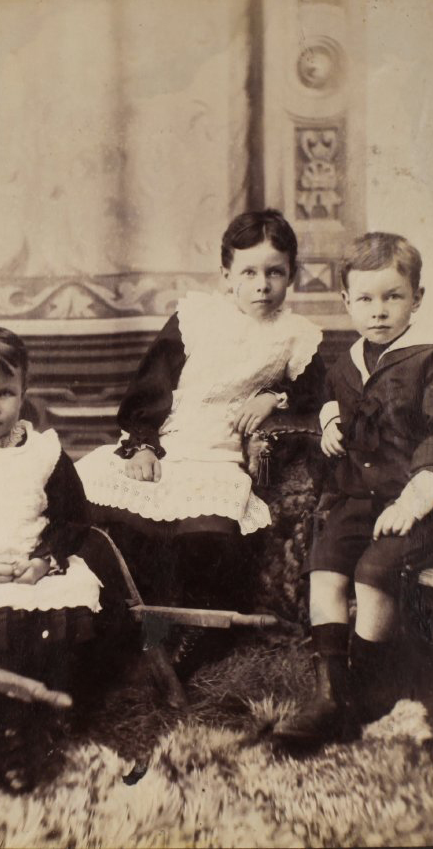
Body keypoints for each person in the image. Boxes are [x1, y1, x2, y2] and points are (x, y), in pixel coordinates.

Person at [0, 324, 139, 793]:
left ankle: (55, 715)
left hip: (40, 571)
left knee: (65, 621)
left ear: (24, 393)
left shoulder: (43, 453)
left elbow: (72, 520)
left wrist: (45, 561)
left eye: (4, 392)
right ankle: (7, 733)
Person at [76, 209, 325, 614]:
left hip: (219, 456)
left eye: (274, 273)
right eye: (248, 273)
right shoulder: (196, 318)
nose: (262, 286)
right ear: (226, 275)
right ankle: (120, 614)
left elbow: (315, 390)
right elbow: (150, 385)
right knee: (95, 501)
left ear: (291, 274)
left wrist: (273, 397)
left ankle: (194, 625)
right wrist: (143, 445)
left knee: (211, 536)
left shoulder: (297, 335)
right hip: (167, 443)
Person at [273, 232, 433, 746]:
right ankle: (331, 694)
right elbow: (334, 397)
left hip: (422, 501)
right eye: (366, 299)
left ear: (417, 298)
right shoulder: (346, 361)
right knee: (325, 565)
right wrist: (330, 422)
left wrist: (416, 498)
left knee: (374, 571)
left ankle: (369, 693)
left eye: (393, 296)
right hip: (360, 497)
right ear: (346, 301)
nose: (379, 311)